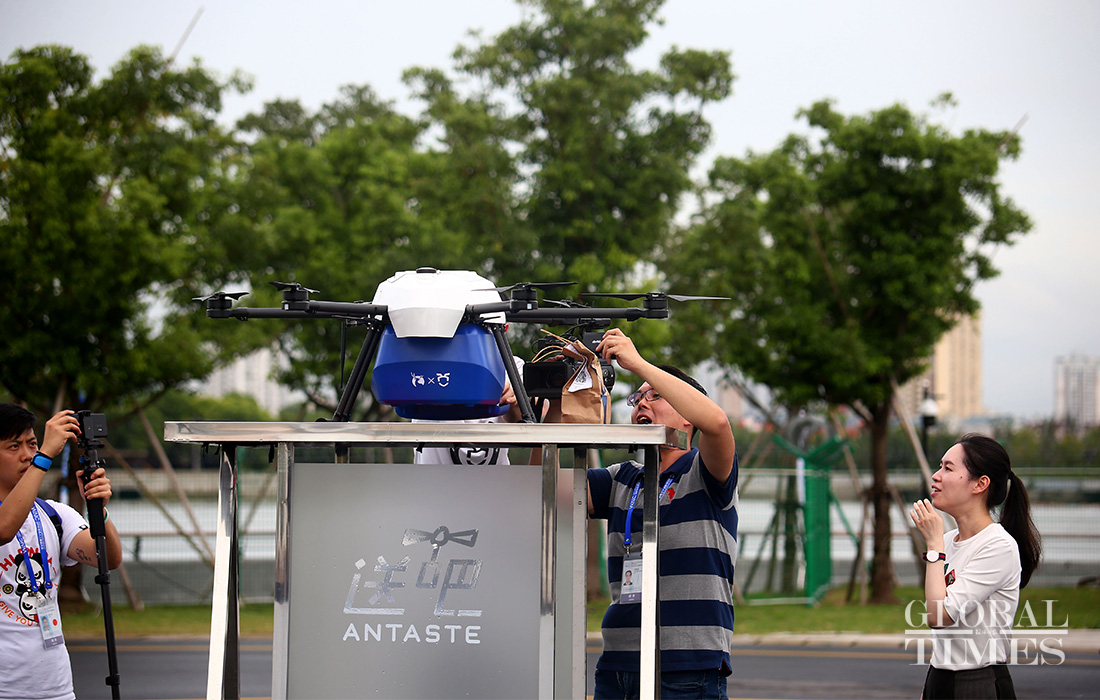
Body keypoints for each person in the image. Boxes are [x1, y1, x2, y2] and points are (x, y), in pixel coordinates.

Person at [543, 328, 738, 699]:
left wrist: (637, 364)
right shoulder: (622, 478)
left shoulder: (704, 472)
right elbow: (542, 491)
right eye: (638, 398)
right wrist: (553, 405)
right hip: (619, 665)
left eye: (656, 395)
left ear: (688, 417)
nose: (641, 404)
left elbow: (717, 423)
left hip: (686, 664)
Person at [0, 403, 123, 700]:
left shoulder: (53, 514)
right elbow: (4, 529)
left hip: (55, 687)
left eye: (32, 444)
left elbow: (108, 558)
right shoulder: (8, 518)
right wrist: (45, 456)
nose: (27, 455)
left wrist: (98, 510)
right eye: (14, 446)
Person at [909, 433, 1042, 700]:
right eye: (939, 466)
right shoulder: (947, 542)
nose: (936, 476)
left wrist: (934, 547)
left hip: (978, 683)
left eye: (948, 468)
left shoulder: (998, 546)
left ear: (980, 484)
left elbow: (939, 617)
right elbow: (944, 640)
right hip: (938, 677)